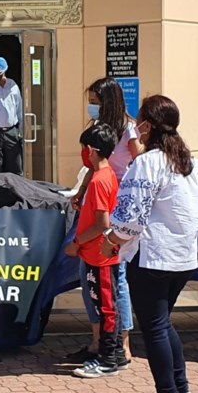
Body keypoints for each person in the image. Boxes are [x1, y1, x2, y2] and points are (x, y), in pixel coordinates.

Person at [101, 95, 198, 393]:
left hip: (153, 257)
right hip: (182, 256)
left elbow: (132, 217)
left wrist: (111, 241)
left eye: (139, 119)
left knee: (155, 327)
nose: (135, 127)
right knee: (162, 323)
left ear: (147, 125)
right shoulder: (185, 161)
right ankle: (181, 389)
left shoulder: (148, 162)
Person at [66, 77, 143, 366]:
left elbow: (139, 165)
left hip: (115, 205)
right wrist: (81, 192)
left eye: (96, 102)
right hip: (96, 196)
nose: (92, 107)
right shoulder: (98, 133)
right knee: (92, 280)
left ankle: (121, 343)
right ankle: (98, 339)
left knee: (115, 279)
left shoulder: (128, 128)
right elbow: (91, 166)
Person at [65, 123, 124, 378]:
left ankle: (108, 358)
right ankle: (113, 353)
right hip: (96, 253)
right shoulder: (104, 175)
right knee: (105, 305)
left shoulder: (101, 180)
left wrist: (77, 243)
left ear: (91, 149)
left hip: (99, 255)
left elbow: (103, 223)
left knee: (106, 307)